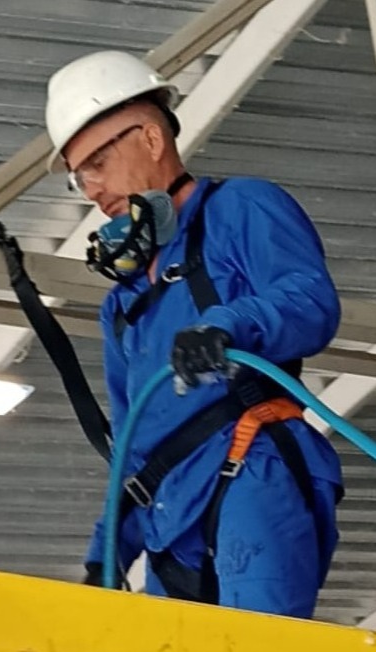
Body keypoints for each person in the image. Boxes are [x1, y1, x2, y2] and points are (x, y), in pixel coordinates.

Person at [44, 50, 343, 617]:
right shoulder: (123, 305)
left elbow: (311, 302)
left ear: (151, 138)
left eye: (98, 163)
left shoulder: (240, 209)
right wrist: (106, 554)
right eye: (79, 177)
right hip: (167, 519)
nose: (91, 188)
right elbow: (131, 445)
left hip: (254, 472)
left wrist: (226, 325)